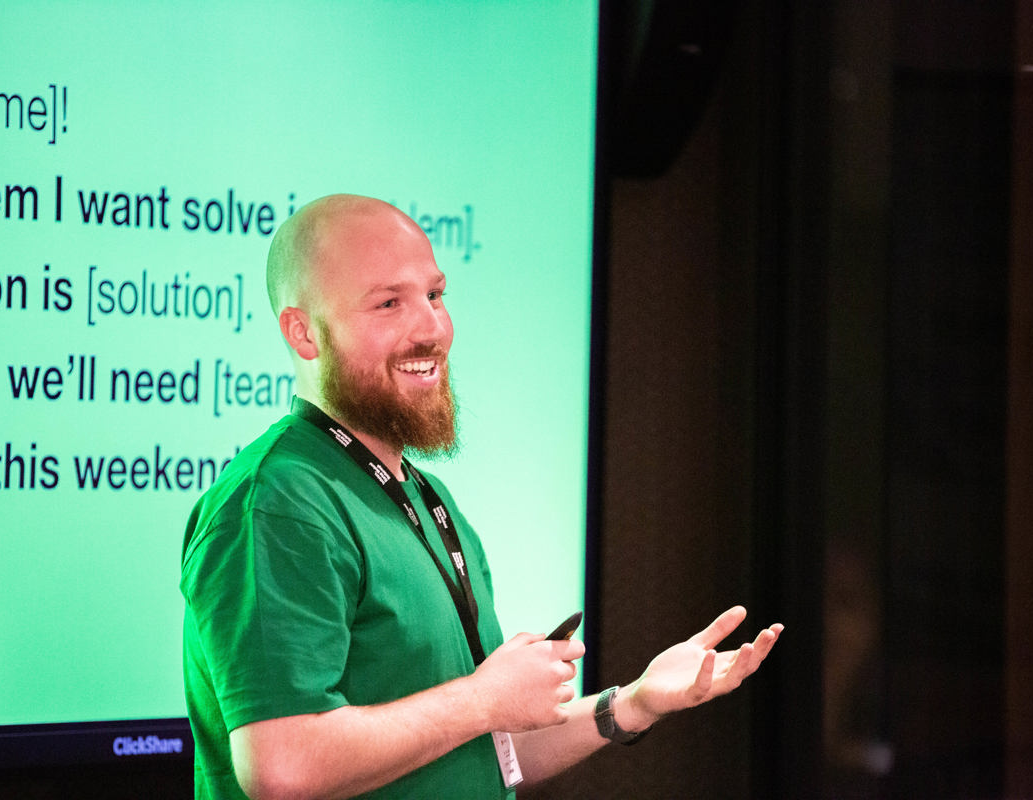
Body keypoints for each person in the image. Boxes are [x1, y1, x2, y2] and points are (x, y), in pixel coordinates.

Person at [180, 194, 782, 800]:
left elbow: (489, 749)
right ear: (304, 333)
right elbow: (282, 767)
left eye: (435, 296)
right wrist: (481, 698)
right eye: (390, 303)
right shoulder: (280, 503)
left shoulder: (424, 498)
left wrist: (632, 703)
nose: (433, 329)